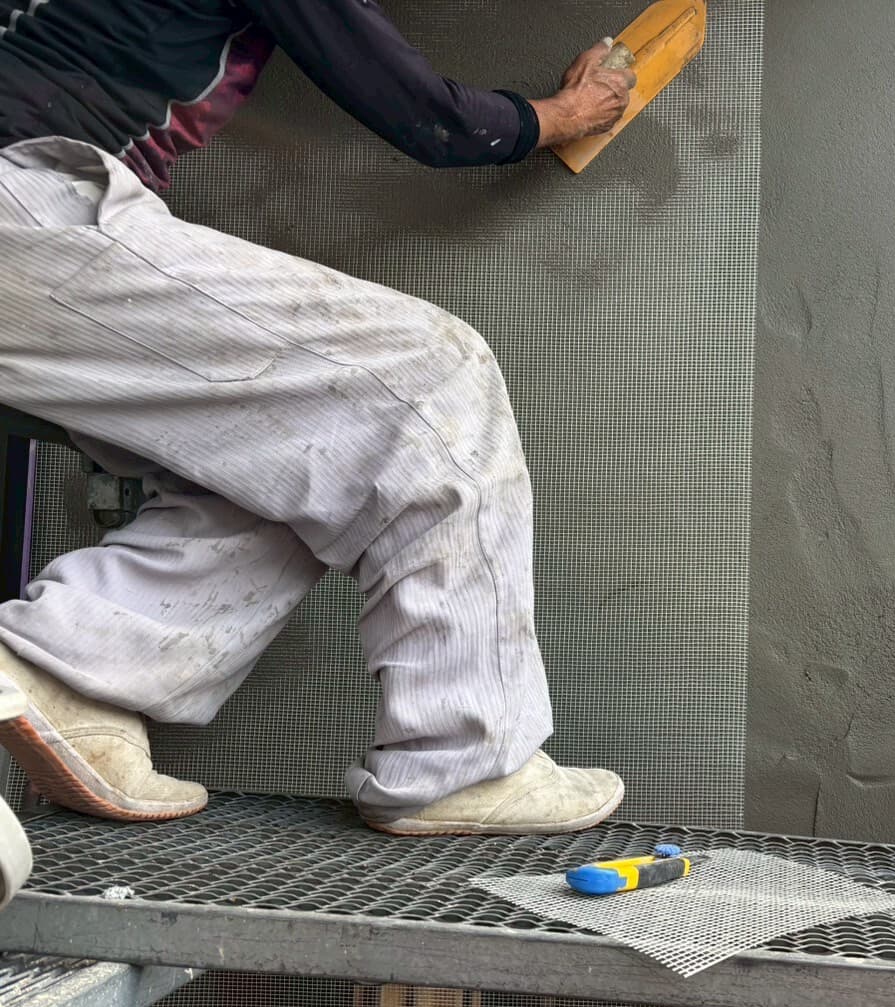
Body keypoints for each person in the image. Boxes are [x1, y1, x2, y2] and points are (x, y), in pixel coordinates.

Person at [0, 0, 638, 901]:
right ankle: (465, 757)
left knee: (283, 452)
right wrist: (557, 116)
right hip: (25, 201)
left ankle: (73, 673)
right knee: (430, 374)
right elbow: (423, 114)